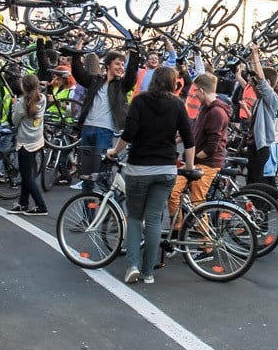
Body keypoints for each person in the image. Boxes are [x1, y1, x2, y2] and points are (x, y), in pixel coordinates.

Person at [107, 67, 194, 284]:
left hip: (139, 167)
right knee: (155, 219)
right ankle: (148, 272)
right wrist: (189, 166)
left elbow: (128, 134)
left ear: (153, 80)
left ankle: (132, 266)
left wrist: (114, 152)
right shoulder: (177, 104)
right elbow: (188, 139)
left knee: (136, 218)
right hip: (166, 168)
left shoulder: (139, 101)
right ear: (174, 83)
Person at [70, 40, 139, 193]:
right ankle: (89, 217)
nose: (121, 67)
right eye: (118, 64)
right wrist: (78, 47)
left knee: (101, 177)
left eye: (122, 65)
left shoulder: (121, 86)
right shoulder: (95, 80)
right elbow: (77, 72)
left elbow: (132, 74)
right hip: (87, 129)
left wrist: (133, 49)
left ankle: (111, 208)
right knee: (86, 178)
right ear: (108, 65)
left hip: (104, 132)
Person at [167, 72, 231, 220]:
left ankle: (206, 241)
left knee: (198, 204)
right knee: (176, 194)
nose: (194, 94)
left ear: (201, 90)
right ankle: (177, 231)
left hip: (206, 163)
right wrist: (176, 139)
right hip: (198, 162)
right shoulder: (205, 109)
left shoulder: (216, 112)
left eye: (195, 90)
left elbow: (211, 148)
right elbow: (194, 132)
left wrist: (191, 159)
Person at [243, 45, 278, 186]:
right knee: (265, 180)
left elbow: (261, 80)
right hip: (262, 145)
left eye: (254, 82)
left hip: (263, 147)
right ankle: (273, 202)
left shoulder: (272, 99)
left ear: (268, 84)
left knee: (255, 184)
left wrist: (255, 55)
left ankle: (262, 206)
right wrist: (251, 59)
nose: (253, 84)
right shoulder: (266, 101)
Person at [6, 74, 48, 216]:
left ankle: (41, 205)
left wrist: (13, 105)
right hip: (37, 140)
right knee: (27, 174)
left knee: (27, 177)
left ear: (23, 87)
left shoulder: (21, 103)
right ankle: (23, 203)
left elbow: (15, 121)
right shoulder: (42, 99)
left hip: (24, 142)